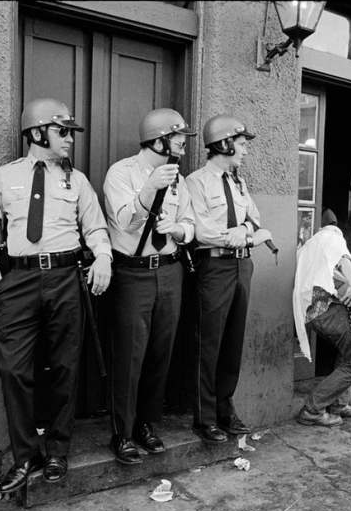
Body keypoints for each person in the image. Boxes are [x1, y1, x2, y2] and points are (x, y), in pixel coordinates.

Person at [0, 98, 113, 492]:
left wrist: (102, 256)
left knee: (65, 367)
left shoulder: (78, 180)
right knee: (13, 370)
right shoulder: (5, 177)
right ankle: (26, 456)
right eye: (63, 131)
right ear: (37, 133)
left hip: (66, 278)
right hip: (17, 282)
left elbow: (96, 227)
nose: (70, 139)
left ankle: (56, 450)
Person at [102, 108, 197, 465]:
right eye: (177, 139)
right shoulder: (122, 173)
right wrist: (148, 190)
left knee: (160, 352)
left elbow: (190, 223)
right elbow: (123, 219)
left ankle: (146, 424)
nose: (183, 146)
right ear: (158, 140)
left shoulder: (179, 180)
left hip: (169, 271)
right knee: (130, 354)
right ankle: (122, 433)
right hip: (133, 273)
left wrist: (178, 231)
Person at [185, 114, 269, 444]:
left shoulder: (238, 181)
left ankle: (225, 408)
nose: (245, 151)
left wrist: (244, 232)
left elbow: (254, 218)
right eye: (242, 144)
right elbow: (203, 230)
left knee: (233, 342)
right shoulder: (196, 182)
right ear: (224, 144)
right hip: (215, 267)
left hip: (241, 266)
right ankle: (204, 419)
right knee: (209, 343)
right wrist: (234, 236)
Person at [293, 209, 351, 427]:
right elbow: (345, 264)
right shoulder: (334, 238)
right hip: (330, 309)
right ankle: (313, 408)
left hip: (313, 313)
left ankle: (339, 403)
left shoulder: (310, 244)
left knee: (350, 353)